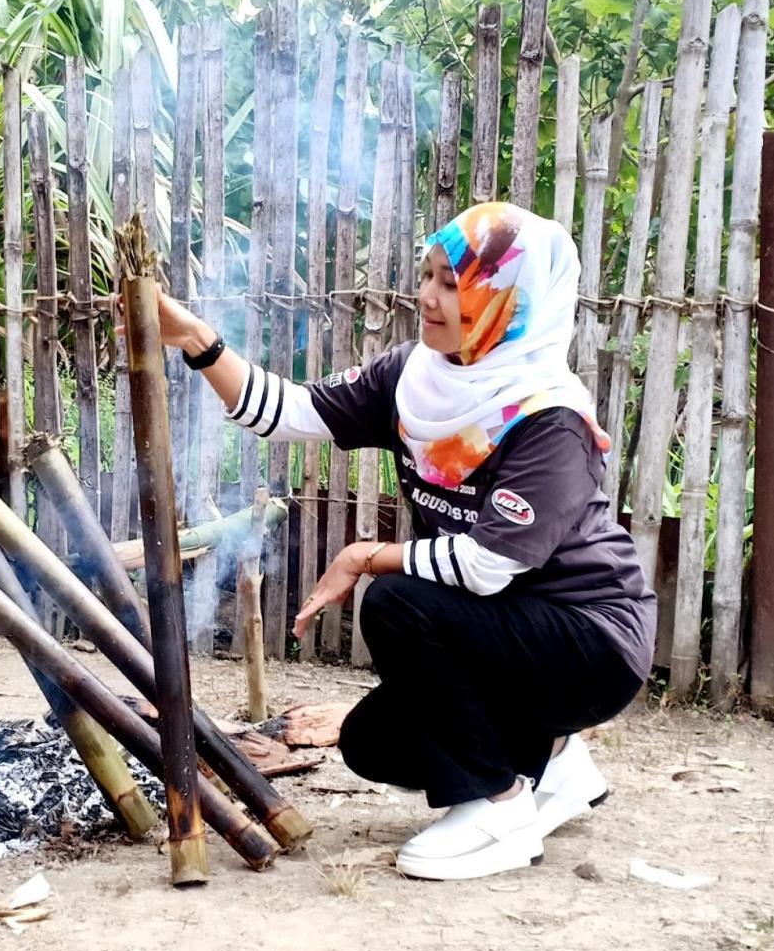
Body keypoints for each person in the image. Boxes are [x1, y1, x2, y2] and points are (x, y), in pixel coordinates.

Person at [149, 202, 656, 880]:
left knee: (396, 601)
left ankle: (499, 810)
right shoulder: (415, 375)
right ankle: (556, 763)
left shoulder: (547, 416)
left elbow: (488, 564)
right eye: (427, 274)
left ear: (509, 302)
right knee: (375, 742)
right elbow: (289, 411)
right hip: (504, 629)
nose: (427, 295)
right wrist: (196, 340)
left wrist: (366, 555)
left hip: (589, 643)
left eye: (453, 282)